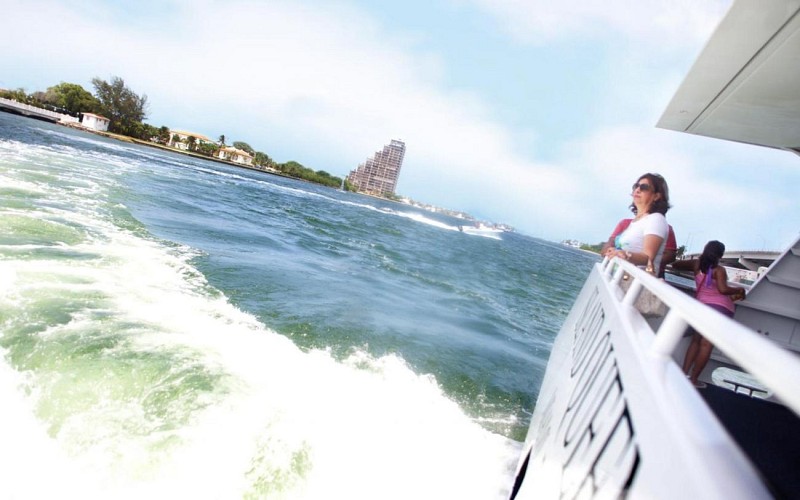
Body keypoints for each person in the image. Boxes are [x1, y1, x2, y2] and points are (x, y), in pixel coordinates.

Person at [675, 240, 746, 388]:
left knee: (695, 340)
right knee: (706, 345)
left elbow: (675, 264)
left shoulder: (696, 264)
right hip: (720, 308)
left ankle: (683, 374)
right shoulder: (719, 270)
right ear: (720, 255)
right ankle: (693, 380)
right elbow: (723, 290)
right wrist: (740, 289)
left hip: (701, 307)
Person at [602, 173, 671, 273]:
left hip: (634, 285)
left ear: (656, 196)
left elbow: (648, 258)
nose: (637, 190)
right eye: (636, 186)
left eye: (644, 187)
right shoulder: (637, 222)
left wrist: (625, 254)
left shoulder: (656, 219)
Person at [602, 218, 677, 277]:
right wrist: (612, 252)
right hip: (614, 273)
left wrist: (634, 258)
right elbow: (607, 247)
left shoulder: (666, 229)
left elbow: (670, 255)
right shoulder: (625, 223)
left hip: (648, 277)